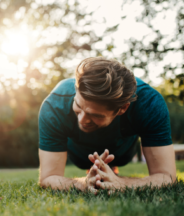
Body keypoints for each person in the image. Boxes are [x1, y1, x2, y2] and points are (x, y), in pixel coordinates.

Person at [38, 57, 176, 193]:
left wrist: (121, 183)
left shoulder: (149, 103)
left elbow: (167, 177)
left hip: (122, 153)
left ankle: (111, 168)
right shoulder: (54, 106)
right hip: (79, 154)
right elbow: (48, 178)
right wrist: (83, 184)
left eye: (95, 115)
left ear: (123, 108)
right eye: (78, 105)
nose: (82, 119)